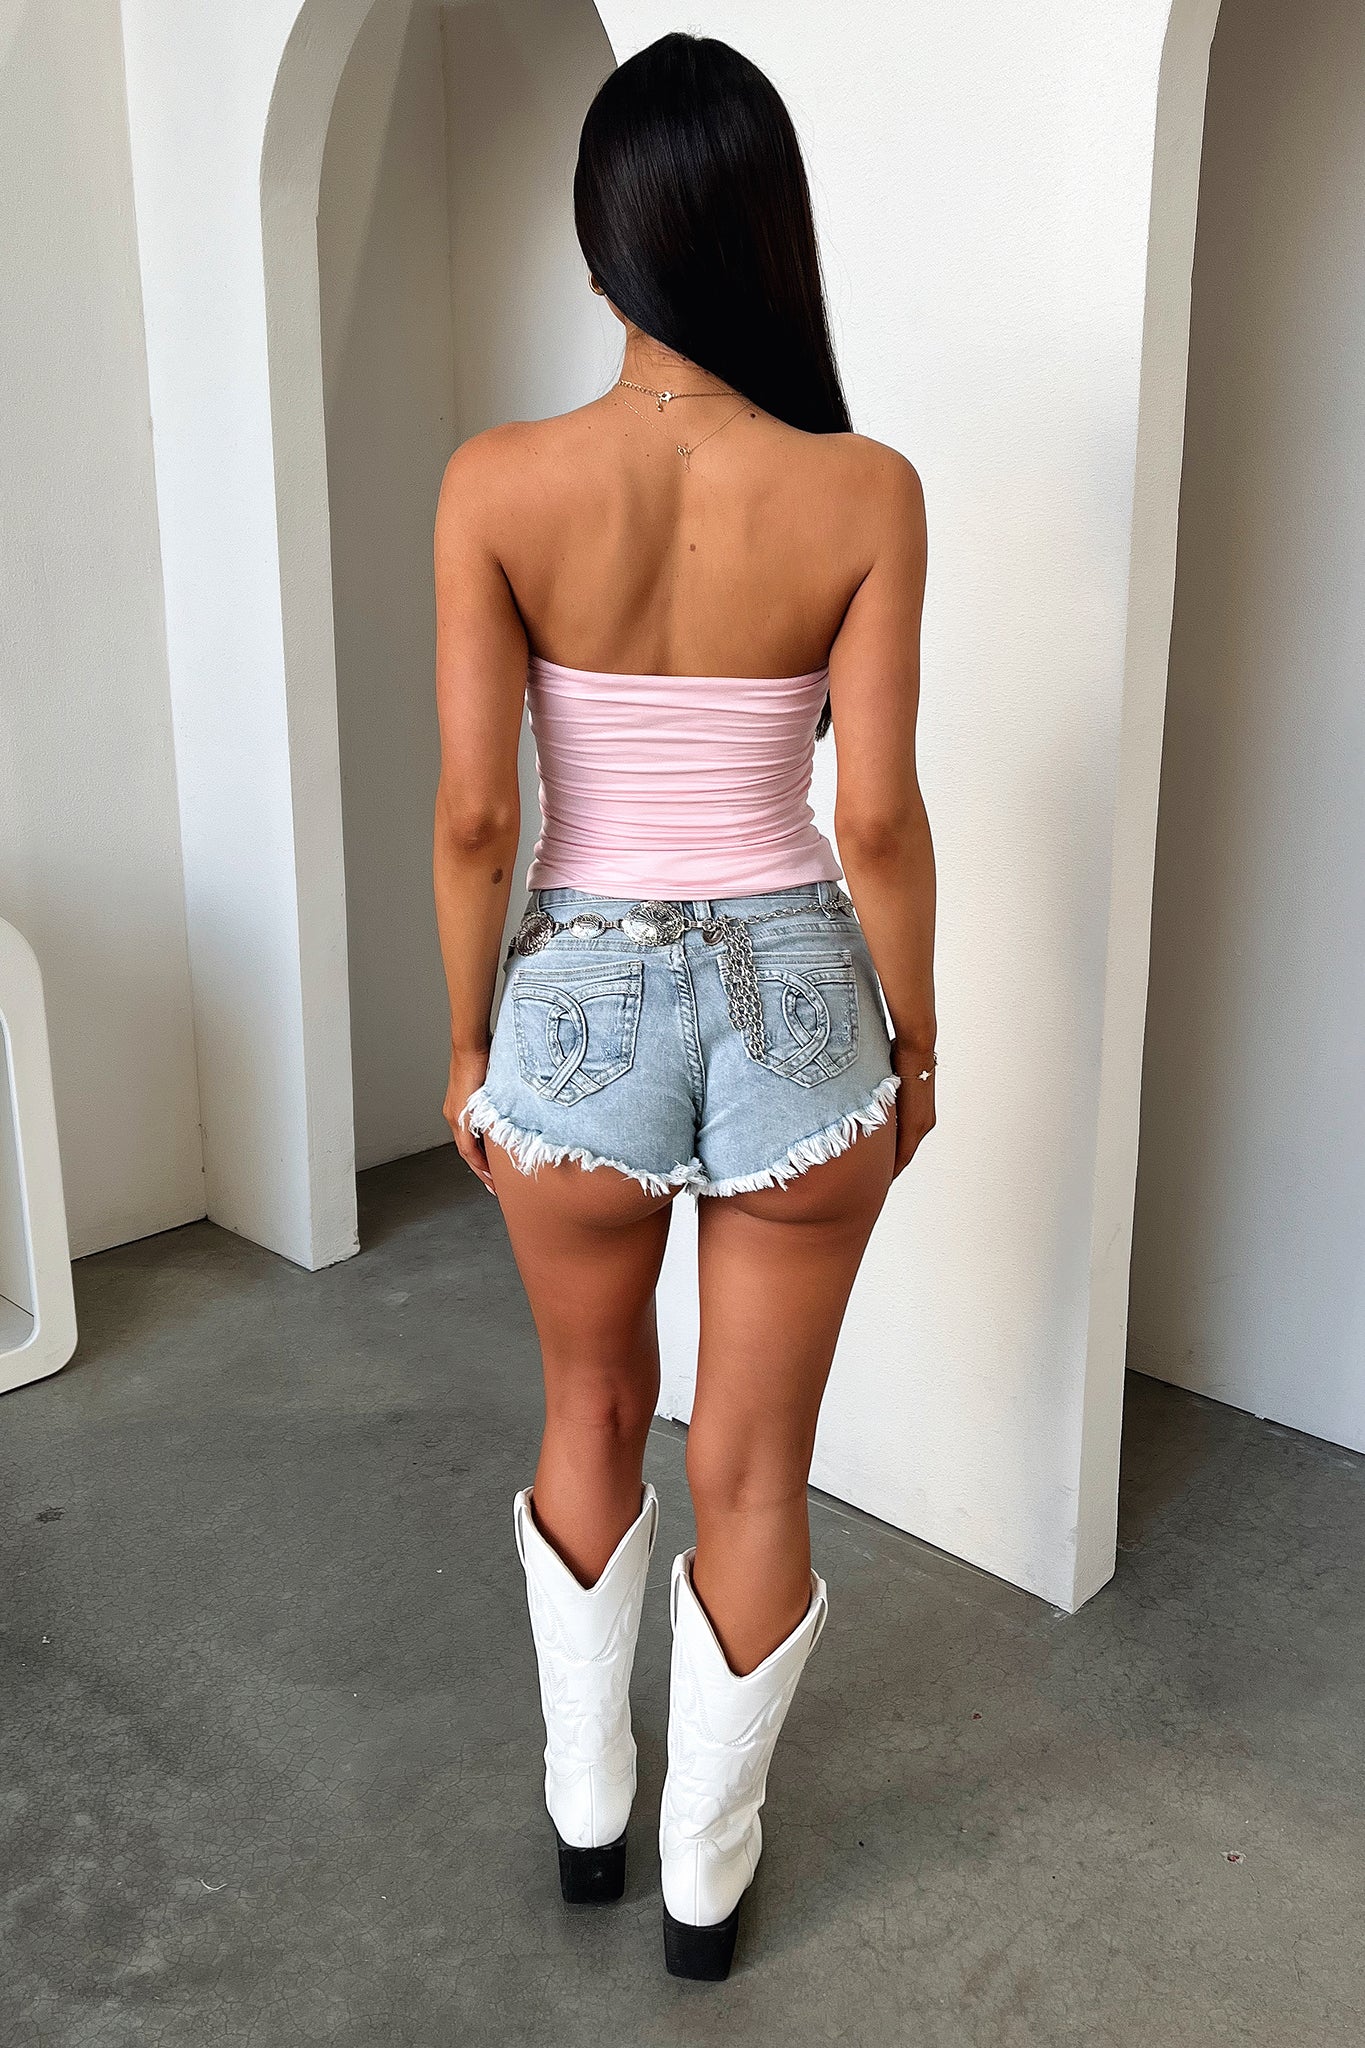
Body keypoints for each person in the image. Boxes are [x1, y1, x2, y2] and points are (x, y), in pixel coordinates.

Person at [431, 31, 935, 1982]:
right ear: (765, 238)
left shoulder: (499, 482)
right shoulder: (863, 489)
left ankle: (587, 1809)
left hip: (572, 997)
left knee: (589, 1404)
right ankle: (704, 1888)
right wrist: (914, 1040)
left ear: (600, 243)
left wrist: (468, 1045)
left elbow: (479, 813)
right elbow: (870, 815)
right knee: (751, 1461)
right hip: (805, 995)